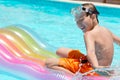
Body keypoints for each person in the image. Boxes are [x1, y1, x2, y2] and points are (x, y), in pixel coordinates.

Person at [45, 3, 120, 76]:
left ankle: (74, 77)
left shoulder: (89, 34)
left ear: (93, 16)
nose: (79, 24)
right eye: (77, 21)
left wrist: (96, 68)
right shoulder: (106, 30)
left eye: (81, 19)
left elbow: (91, 52)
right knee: (60, 50)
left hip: (91, 70)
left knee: (49, 62)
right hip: (91, 63)